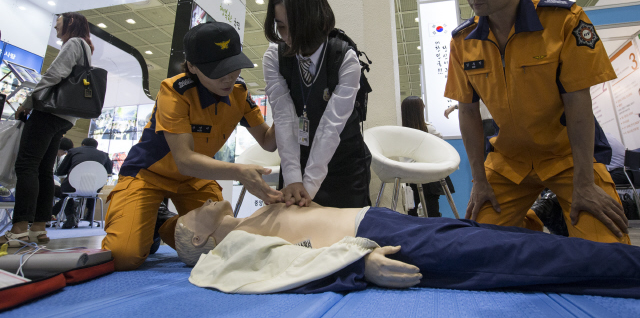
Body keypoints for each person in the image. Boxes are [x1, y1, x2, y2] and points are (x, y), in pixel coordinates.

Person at [443, 0, 629, 243]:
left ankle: (553, 208)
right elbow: (468, 110)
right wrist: (479, 180)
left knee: (608, 256)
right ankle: (534, 218)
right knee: (478, 248)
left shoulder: (564, 22)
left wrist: (585, 181)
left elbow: (579, 104)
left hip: (567, 157)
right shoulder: (463, 41)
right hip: (508, 162)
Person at [101, 21, 284, 271]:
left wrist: (287, 104)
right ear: (192, 67)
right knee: (124, 256)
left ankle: (161, 223)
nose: (229, 77)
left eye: (233, 68)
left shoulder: (239, 92)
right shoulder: (174, 92)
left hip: (194, 179)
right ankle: (146, 220)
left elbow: (268, 142)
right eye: (218, 71)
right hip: (148, 175)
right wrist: (239, 171)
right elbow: (184, 159)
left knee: (223, 245)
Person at [176, 200, 640, 298]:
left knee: (519, 242)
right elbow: (280, 265)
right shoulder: (229, 248)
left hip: (385, 219)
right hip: (381, 239)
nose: (202, 203)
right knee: (522, 257)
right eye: (193, 214)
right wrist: (357, 264)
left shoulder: (254, 208)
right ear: (198, 239)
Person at [263, 0, 371, 208]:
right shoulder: (274, 57)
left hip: (344, 162)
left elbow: (331, 125)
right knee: (297, 239)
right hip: (296, 163)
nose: (287, 37)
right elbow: (283, 117)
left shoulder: (344, 58)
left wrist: (308, 187)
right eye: (281, 26)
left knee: (346, 237)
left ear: (316, 20)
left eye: (295, 27)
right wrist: (293, 178)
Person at [0, 13, 94, 246]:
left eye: (58, 21)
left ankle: (20, 226)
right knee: (43, 170)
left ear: (70, 22)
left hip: (49, 112)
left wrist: (27, 102)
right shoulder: (86, 49)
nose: (54, 25)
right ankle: (39, 229)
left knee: (27, 165)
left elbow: (55, 74)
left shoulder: (73, 43)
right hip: (65, 117)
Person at [400, 96, 455, 217]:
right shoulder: (428, 129)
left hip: (409, 175)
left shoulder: (401, 131)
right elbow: (440, 141)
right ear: (419, 110)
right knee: (432, 208)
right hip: (428, 174)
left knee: (411, 209)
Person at [51, 137, 112, 228]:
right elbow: (109, 171)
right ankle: (90, 214)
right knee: (93, 189)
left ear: (83, 145)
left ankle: (70, 216)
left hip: (73, 185)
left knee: (65, 192)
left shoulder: (73, 151)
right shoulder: (105, 155)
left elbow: (61, 171)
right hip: (95, 187)